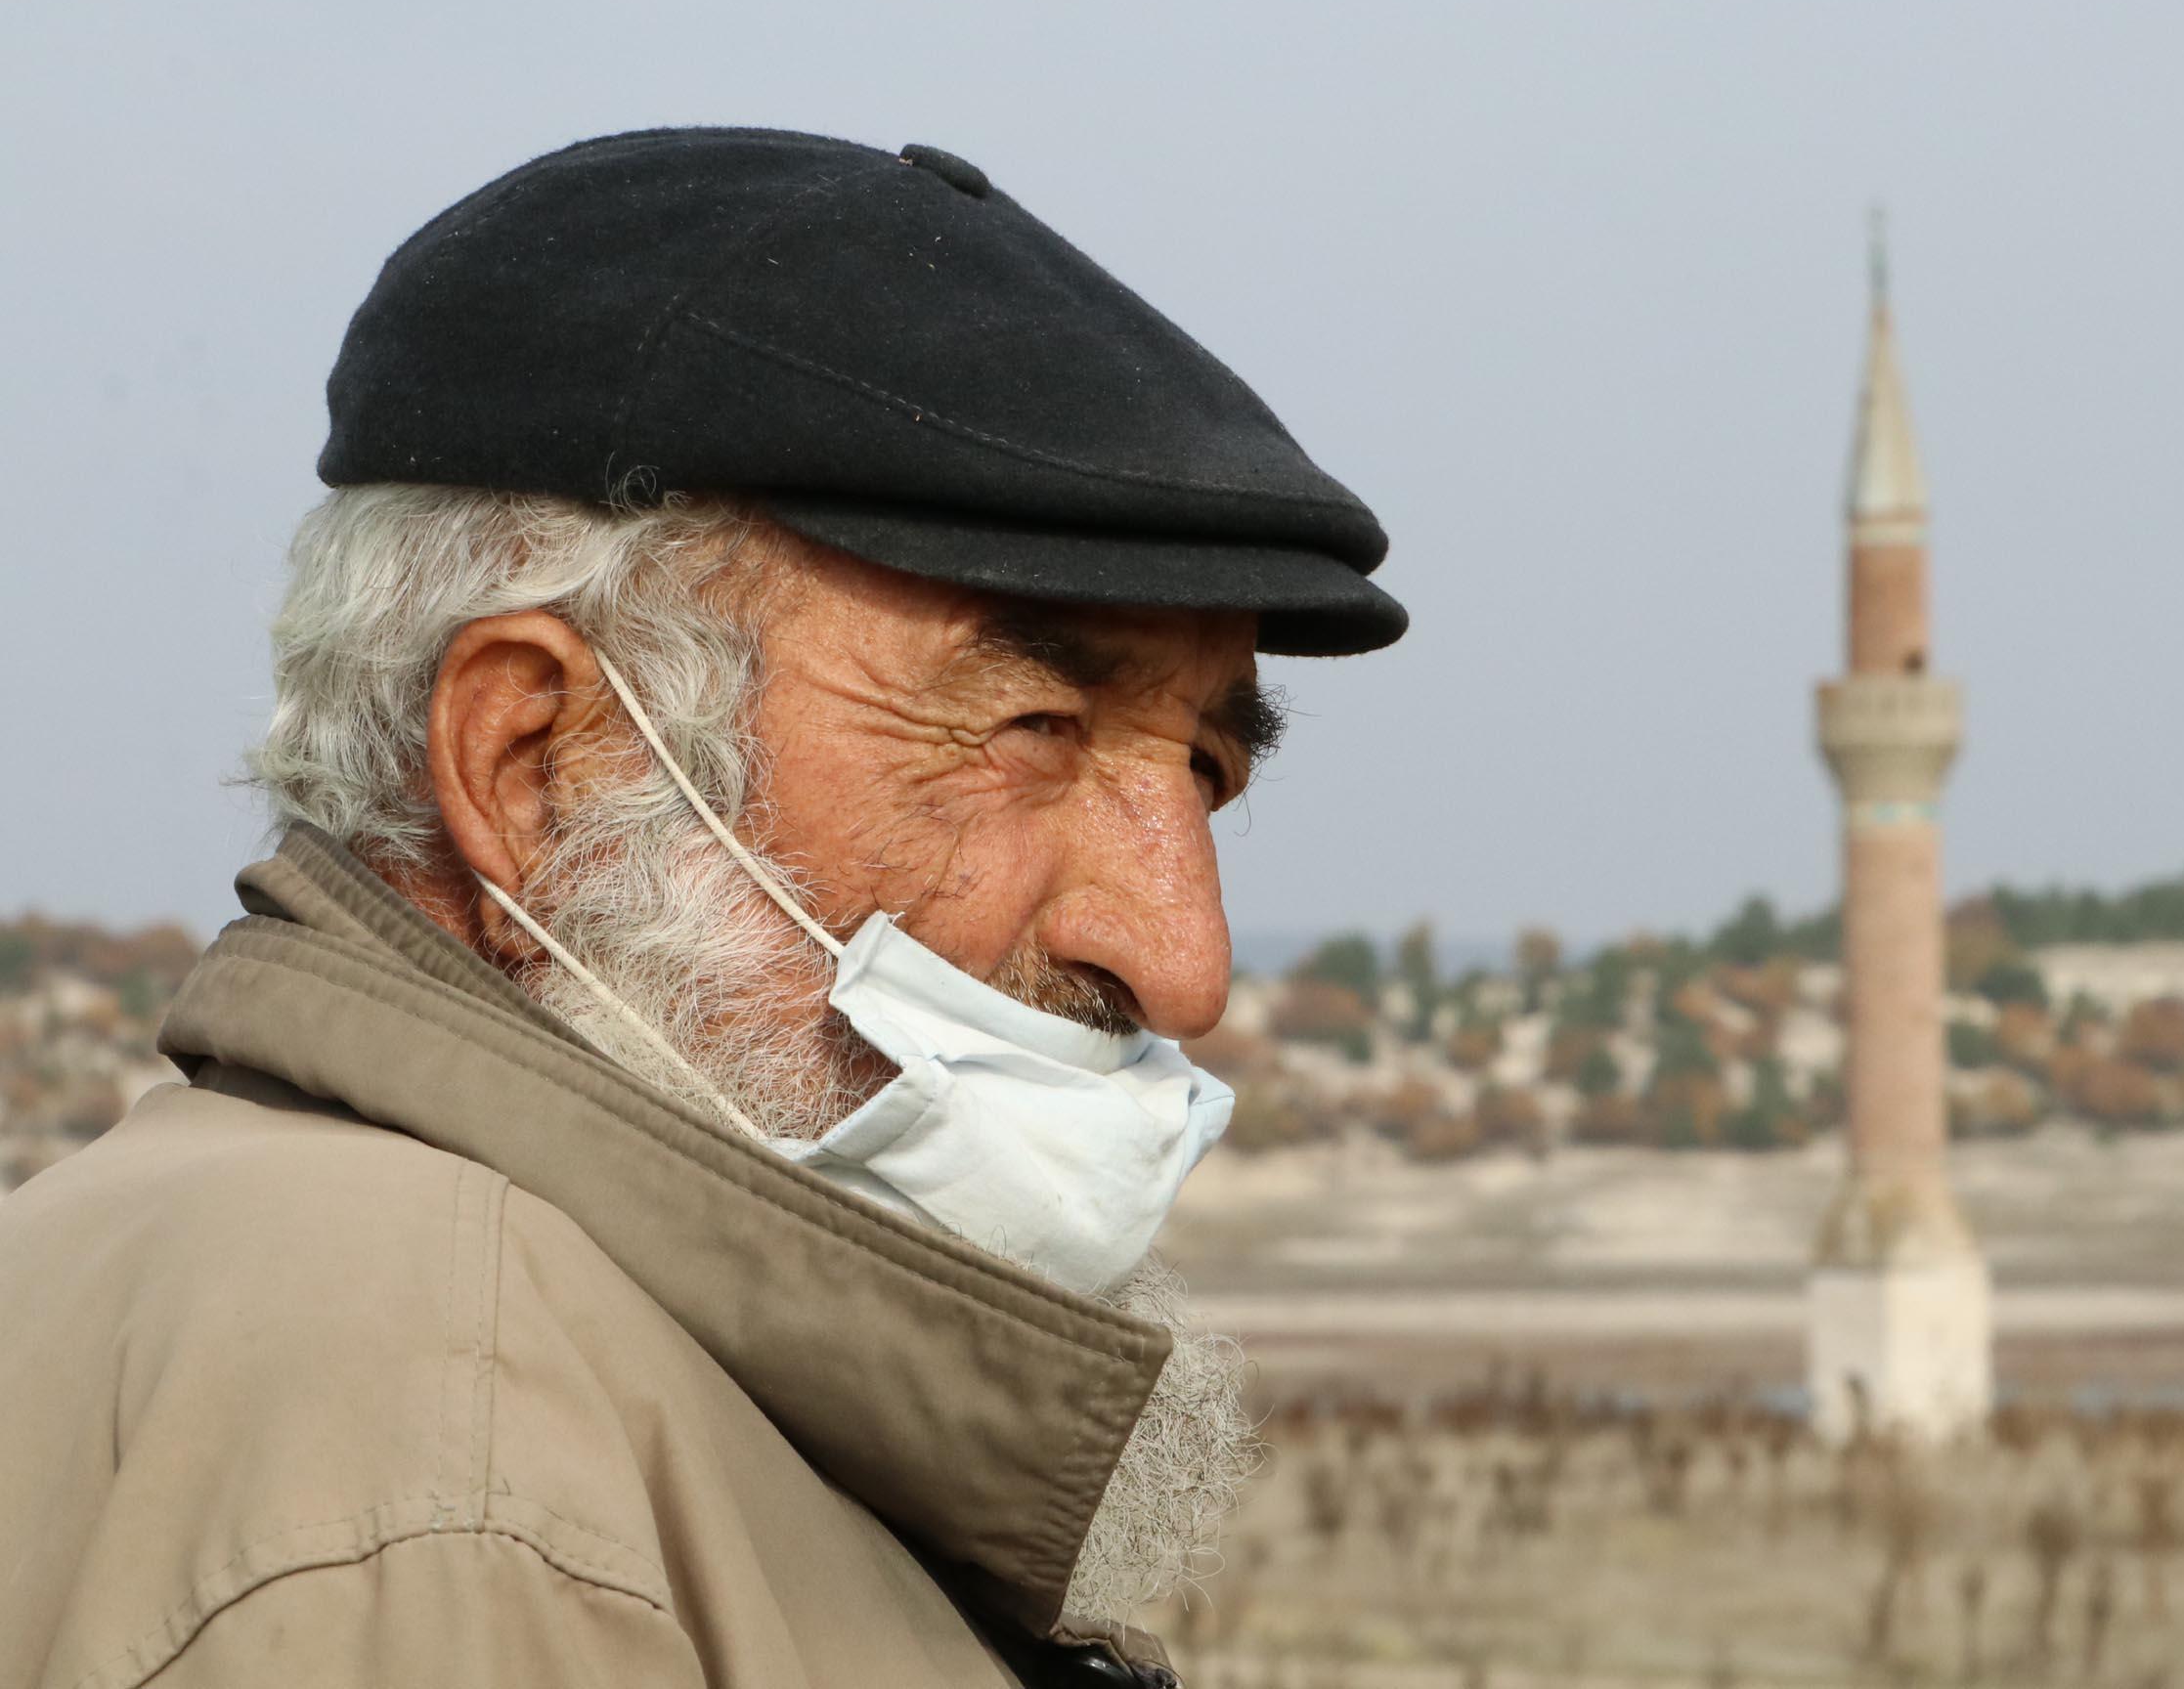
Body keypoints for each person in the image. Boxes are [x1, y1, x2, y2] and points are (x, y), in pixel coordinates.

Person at [0, 127, 1405, 1687]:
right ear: (535, 766)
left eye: (1205, 765)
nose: (1180, 955)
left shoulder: (318, 1292)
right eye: (1031, 731)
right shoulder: (463, 1472)